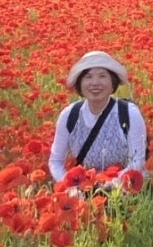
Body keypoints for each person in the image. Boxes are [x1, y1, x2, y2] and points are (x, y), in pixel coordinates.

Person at [48, 50, 146, 191]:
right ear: (80, 84)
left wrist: (111, 185)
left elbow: (137, 161)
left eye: (102, 76)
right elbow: (55, 161)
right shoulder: (69, 115)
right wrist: (70, 186)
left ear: (113, 83)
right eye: (88, 77)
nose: (95, 83)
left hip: (122, 190)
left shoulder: (128, 113)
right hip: (82, 189)